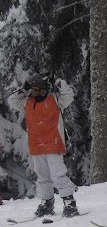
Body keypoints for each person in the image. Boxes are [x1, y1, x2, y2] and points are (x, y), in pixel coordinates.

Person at [8, 72, 79, 217]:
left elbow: (69, 94)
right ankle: (47, 203)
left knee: (58, 174)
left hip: (53, 144)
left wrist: (57, 81)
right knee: (42, 176)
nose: (37, 93)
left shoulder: (55, 99)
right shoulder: (27, 102)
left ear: (47, 88)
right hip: (36, 146)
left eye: (40, 89)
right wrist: (23, 88)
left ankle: (69, 202)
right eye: (34, 90)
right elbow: (12, 100)